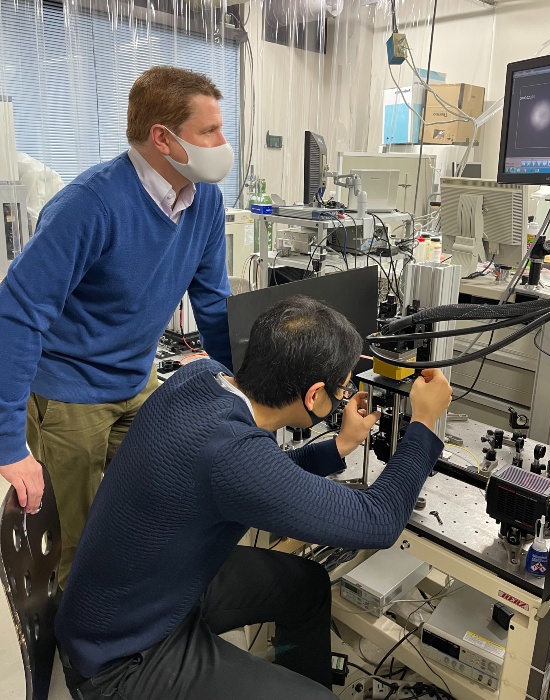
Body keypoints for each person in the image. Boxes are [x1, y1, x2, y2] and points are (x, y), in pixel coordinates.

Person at [55, 295, 452, 700]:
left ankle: (297, 678)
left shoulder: (200, 378)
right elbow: (380, 519)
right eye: (343, 388)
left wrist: (339, 446)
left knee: (308, 586)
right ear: (315, 396)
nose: (346, 396)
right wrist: (424, 422)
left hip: (149, 592)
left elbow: (260, 476)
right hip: (121, 656)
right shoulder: (232, 455)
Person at [0, 66, 234, 587]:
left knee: (154, 505)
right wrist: (9, 444)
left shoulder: (205, 202)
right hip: (67, 395)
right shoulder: (90, 205)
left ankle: (127, 618)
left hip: (136, 380)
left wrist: (243, 387)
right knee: (72, 545)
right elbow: (17, 313)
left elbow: (214, 303)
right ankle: (76, 657)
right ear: (163, 139)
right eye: (209, 131)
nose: (223, 144)